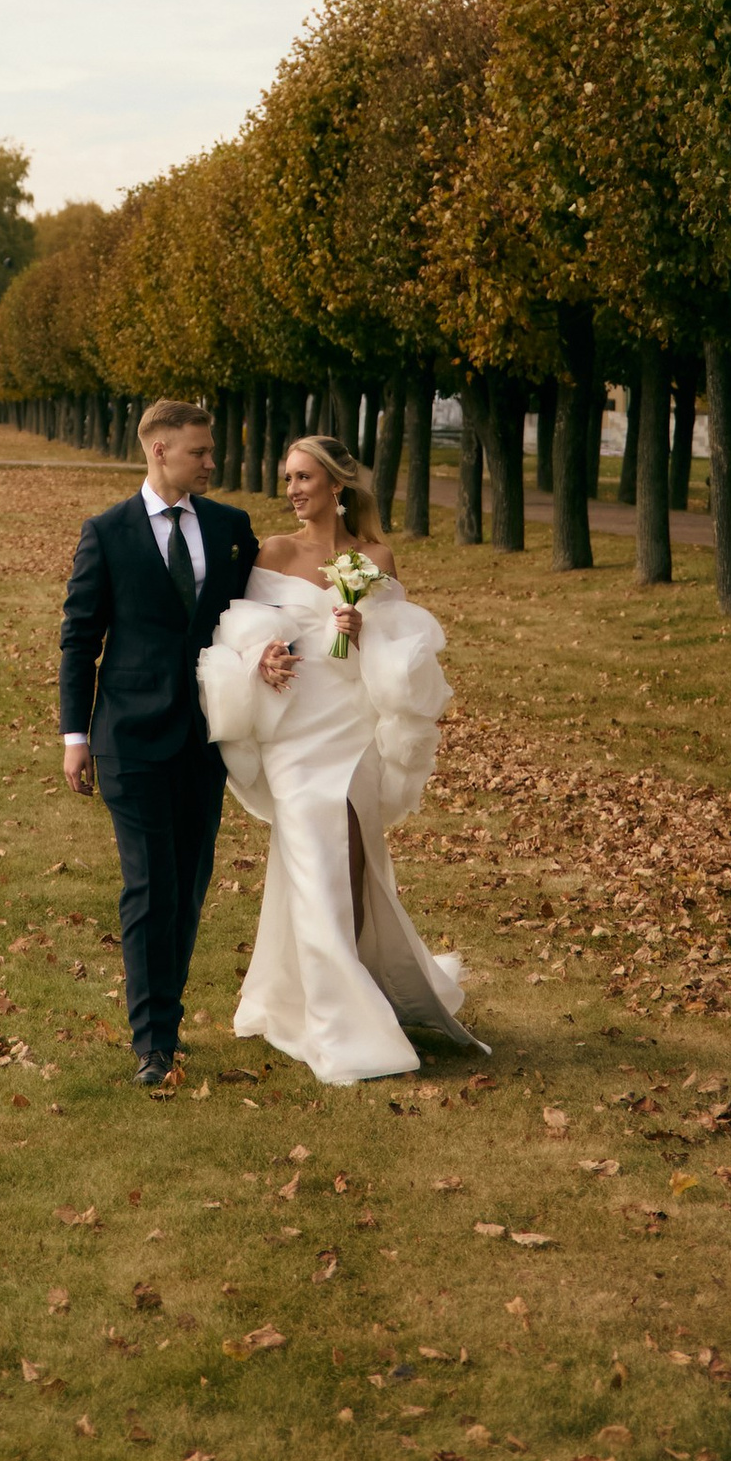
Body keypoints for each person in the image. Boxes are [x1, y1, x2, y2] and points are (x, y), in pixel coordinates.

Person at [197, 431, 484, 1086]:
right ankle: (339, 1024)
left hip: (352, 731)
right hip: (296, 734)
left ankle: (341, 982)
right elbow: (237, 626)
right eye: (288, 478)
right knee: (313, 864)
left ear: (337, 484)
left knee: (351, 865)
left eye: (303, 478)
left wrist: (365, 627)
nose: (293, 491)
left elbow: (397, 654)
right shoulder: (271, 551)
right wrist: (261, 655)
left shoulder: (374, 554)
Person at [57, 398, 260, 1087]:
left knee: (190, 886)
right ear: (159, 451)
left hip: (207, 737)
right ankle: (151, 1043)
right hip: (129, 737)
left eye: (210, 450)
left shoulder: (233, 529)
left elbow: (261, 615)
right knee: (150, 886)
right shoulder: (107, 533)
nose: (212, 461)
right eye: (199, 451)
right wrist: (74, 735)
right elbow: (80, 640)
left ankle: (167, 1025)